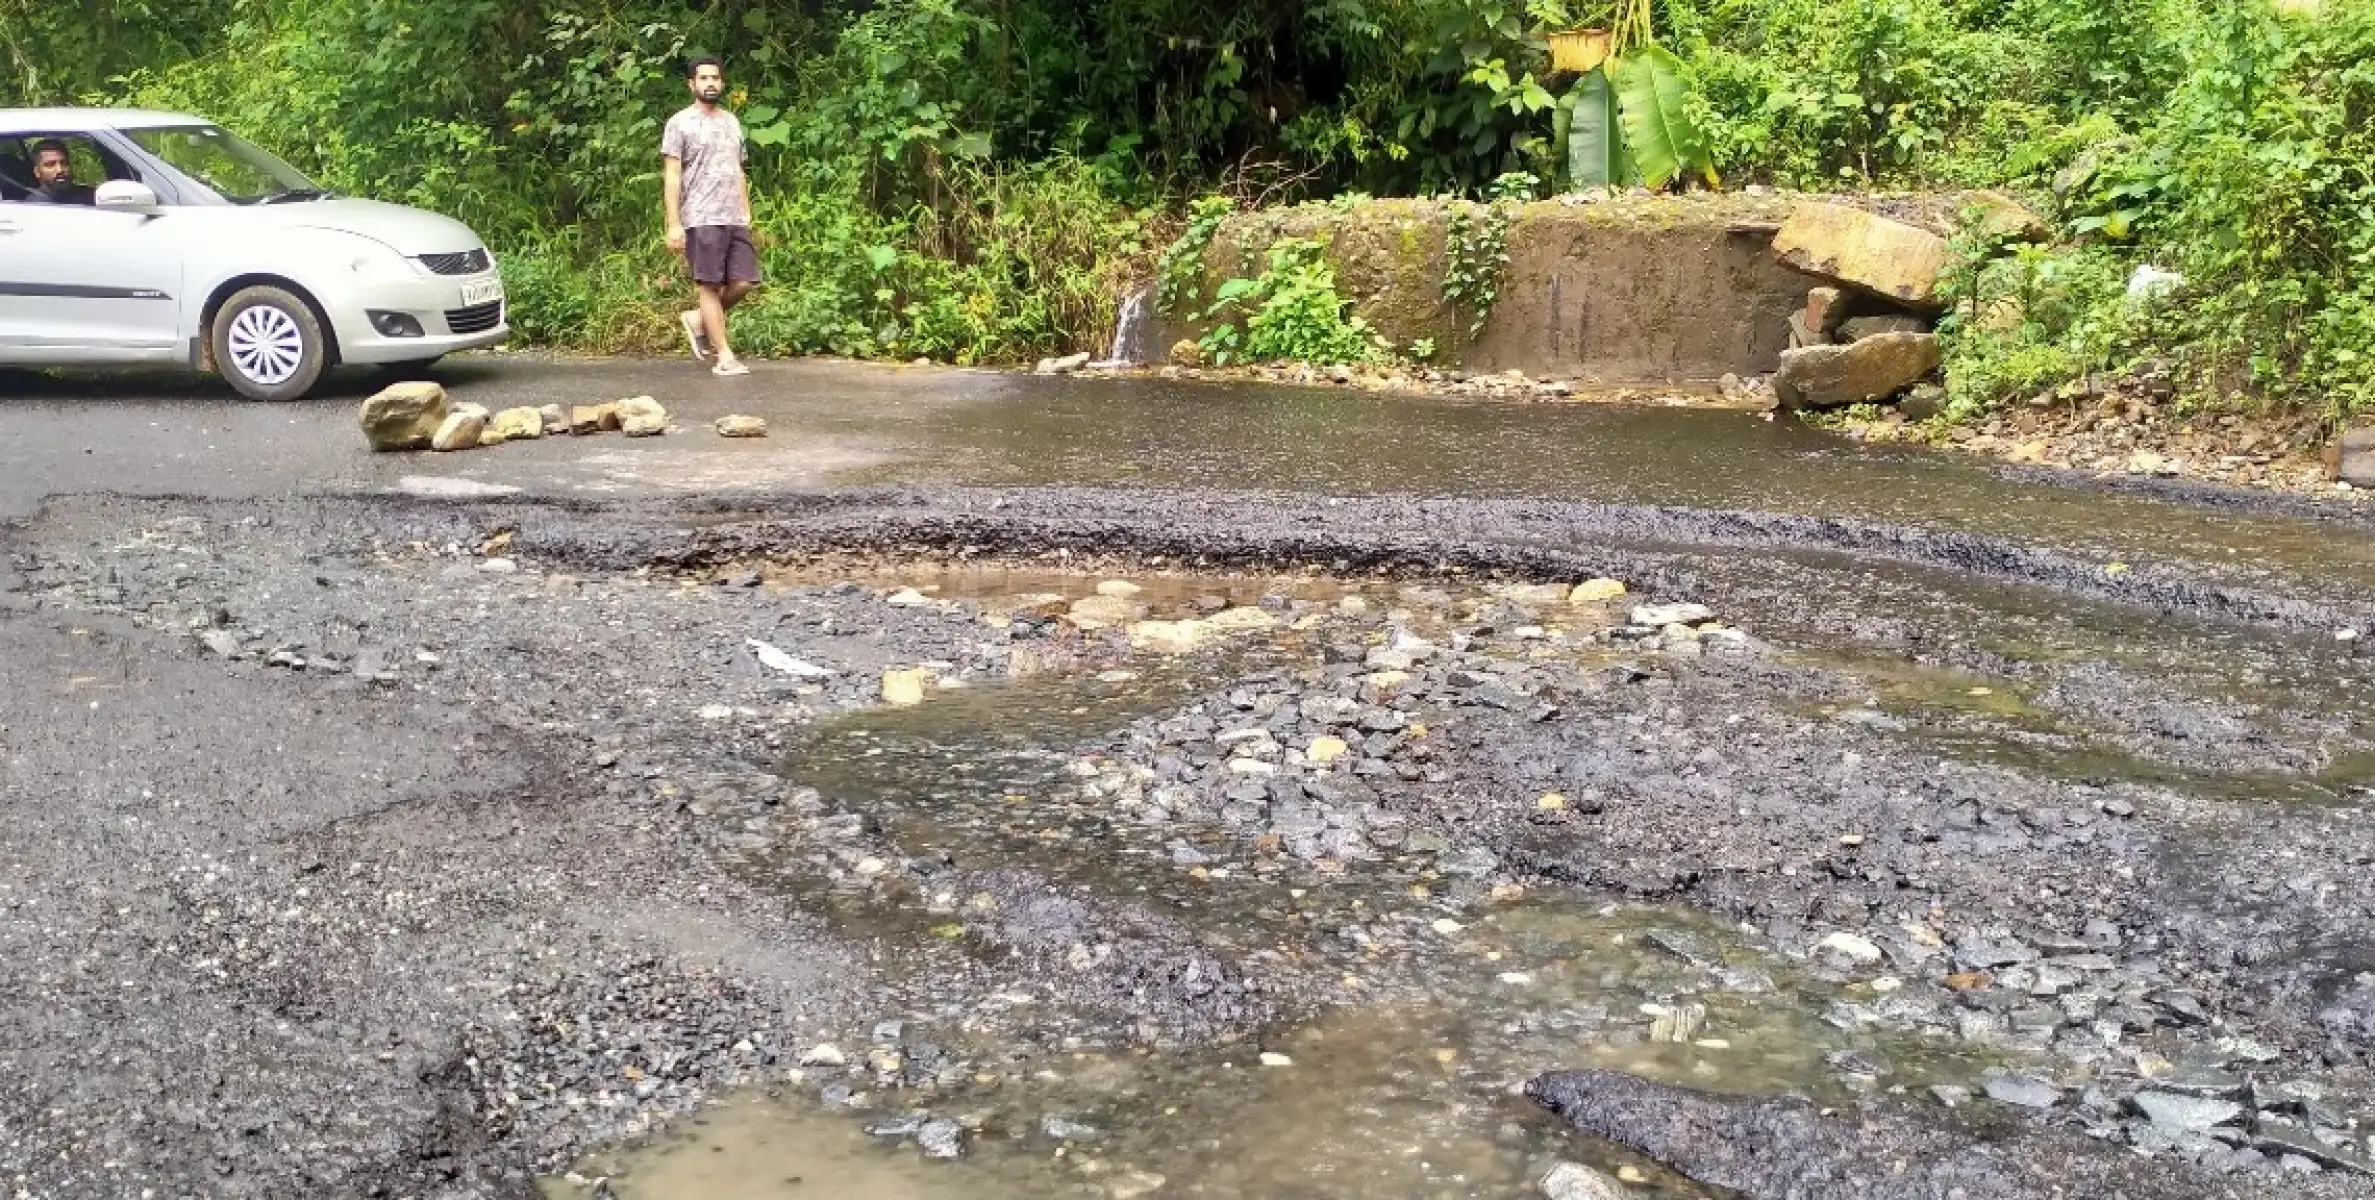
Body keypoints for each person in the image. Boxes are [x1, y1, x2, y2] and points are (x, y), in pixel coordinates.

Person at [662, 55, 758, 377]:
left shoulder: (732, 122)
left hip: (734, 216)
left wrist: (746, 211)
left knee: (744, 282)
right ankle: (724, 356)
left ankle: (698, 320)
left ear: (723, 83)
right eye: (703, 78)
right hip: (701, 217)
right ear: (691, 84)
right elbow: (673, 174)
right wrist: (673, 223)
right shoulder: (679, 123)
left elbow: (739, 170)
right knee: (709, 286)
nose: (710, 83)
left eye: (715, 78)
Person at [24, 140, 96, 205]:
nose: (60, 170)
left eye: (64, 163)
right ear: (37, 172)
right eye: (50, 165)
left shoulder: (90, 195)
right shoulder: (35, 205)